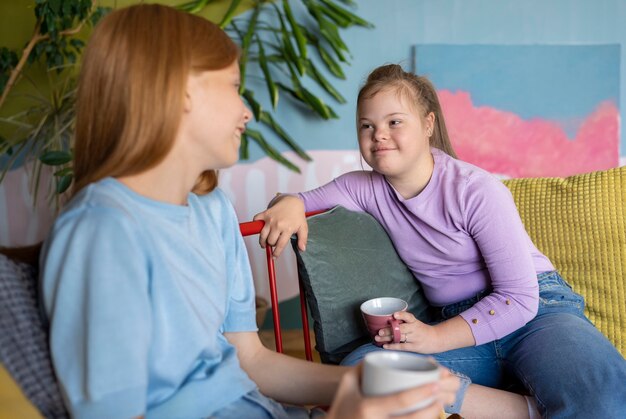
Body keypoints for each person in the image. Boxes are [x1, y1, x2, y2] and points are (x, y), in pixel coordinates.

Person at [39, 5, 459, 419]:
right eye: (232, 86)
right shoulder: (102, 232)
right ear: (180, 92)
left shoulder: (211, 209)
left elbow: (249, 361)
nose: (247, 112)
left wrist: (372, 384)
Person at [254, 64, 626, 418]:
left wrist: (433, 339)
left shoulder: (475, 189)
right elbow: (302, 201)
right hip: (457, 325)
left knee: (604, 388)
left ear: (428, 124)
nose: (378, 134)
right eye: (366, 125)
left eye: (394, 122)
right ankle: (529, 410)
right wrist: (288, 203)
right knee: (363, 370)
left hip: (535, 313)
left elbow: (518, 298)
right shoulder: (363, 187)